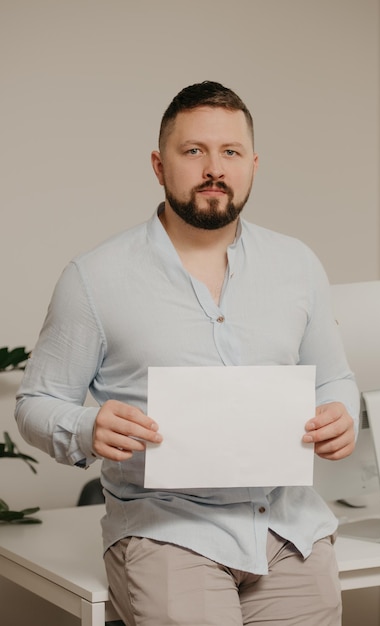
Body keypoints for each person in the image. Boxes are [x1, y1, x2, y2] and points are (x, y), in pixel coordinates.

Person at [16, 81, 359, 626]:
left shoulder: (298, 266)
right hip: (167, 532)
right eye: (193, 150)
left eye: (231, 152)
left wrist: (342, 415)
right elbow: (35, 403)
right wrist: (87, 427)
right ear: (159, 164)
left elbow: (336, 381)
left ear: (252, 163)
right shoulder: (95, 277)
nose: (213, 168)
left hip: (290, 528)